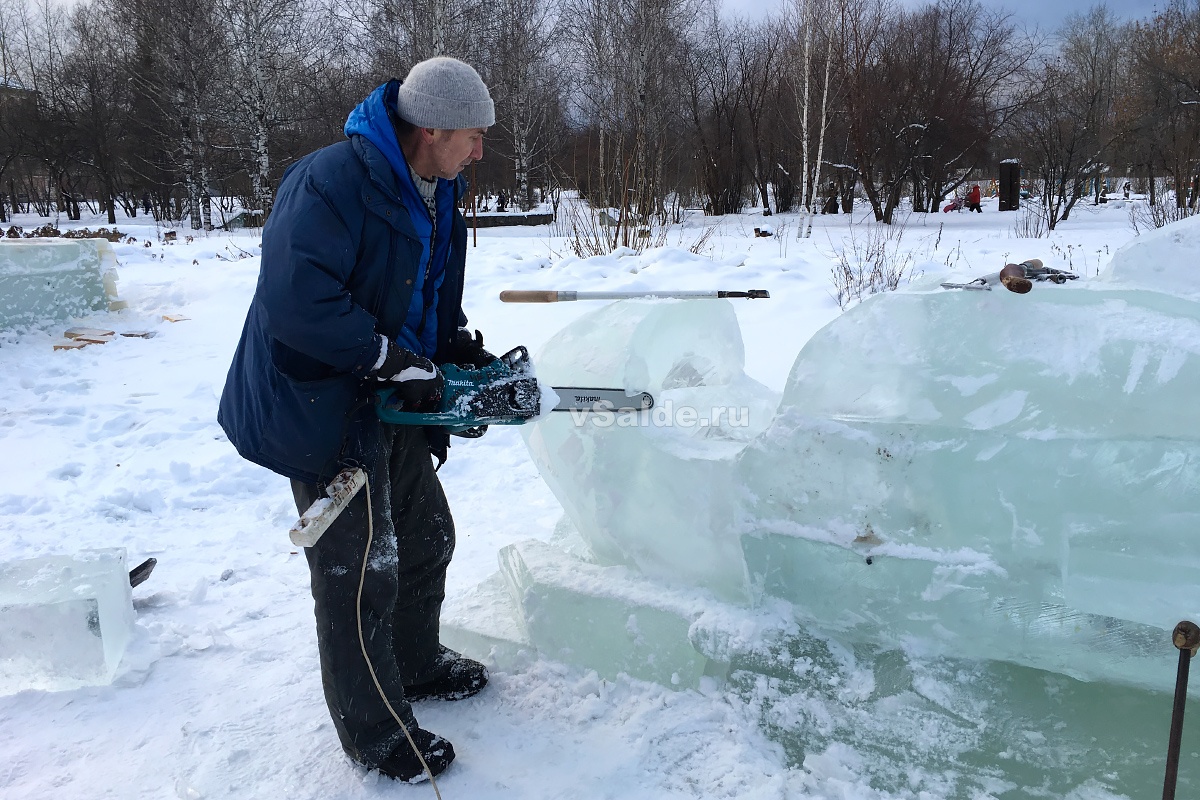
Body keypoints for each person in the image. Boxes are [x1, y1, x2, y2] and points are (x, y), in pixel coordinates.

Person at [217, 57, 498, 783]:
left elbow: (424, 293)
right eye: (472, 135)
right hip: (324, 403)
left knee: (428, 536)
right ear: (430, 127)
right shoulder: (330, 182)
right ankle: (376, 734)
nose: (479, 150)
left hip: (388, 397)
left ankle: (414, 661)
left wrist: (452, 351)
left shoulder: (439, 192)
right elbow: (297, 302)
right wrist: (386, 358)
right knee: (357, 574)